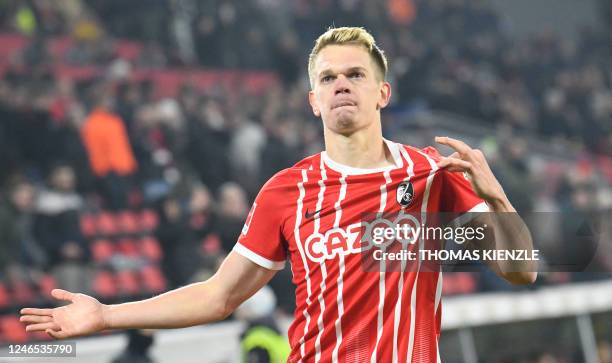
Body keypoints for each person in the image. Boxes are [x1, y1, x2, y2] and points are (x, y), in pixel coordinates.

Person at [20, 27, 536, 362]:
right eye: (328, 77)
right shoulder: (286, 191)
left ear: (383, 93)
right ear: (313, 101)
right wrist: (107, 315)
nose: (341, 85)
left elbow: (522, 271)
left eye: (356, 74)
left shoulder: (432, 173)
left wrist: (497, 199)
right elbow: (219, 295)